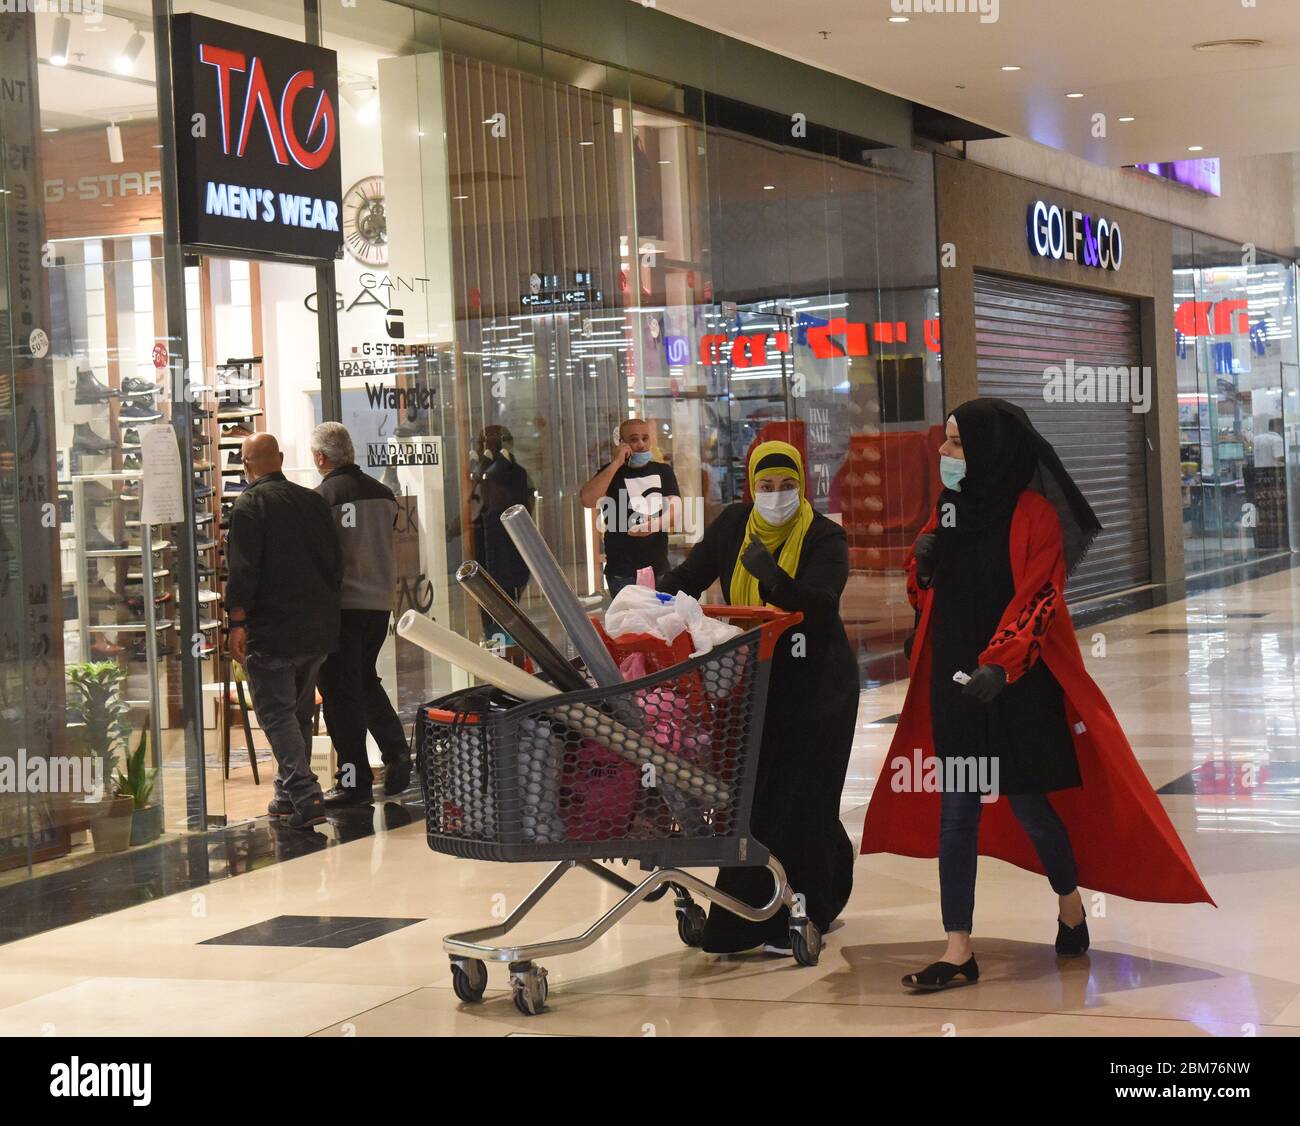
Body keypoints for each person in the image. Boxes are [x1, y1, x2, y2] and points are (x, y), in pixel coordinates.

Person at [860, 398, 1214, 992]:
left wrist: (1000, 665)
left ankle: (1069, 905)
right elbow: (928, 593)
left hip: (1015, 686)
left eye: (956, 443)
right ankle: (958, 948)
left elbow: (1039, 599)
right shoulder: (948, 508)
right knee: (958, 812)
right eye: (945, 442)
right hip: (956, 683)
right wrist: (919, 568)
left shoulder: (1034, 516)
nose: (943, 454)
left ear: (991, 451)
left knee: (1030, 809)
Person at [657, 440, 857, 953]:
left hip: (818, 687)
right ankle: (772, 910)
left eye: (787, 485)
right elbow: (690, 576)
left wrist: (772, 578)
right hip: (755, 685)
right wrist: (653, 596)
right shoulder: (733, 524)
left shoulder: (824, 536)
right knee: (762, 799)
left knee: (804, 798)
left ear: (802, 485)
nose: (776, 496)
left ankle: (801, 911)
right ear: (750, 486)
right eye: (765, 487)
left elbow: (821, 604)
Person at [225, 432, 342, 830]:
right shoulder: (313, 500)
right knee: (299, 710)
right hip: (317, 626)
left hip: (273, 627)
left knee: (276, 713)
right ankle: (286, 795)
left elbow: (243, 570)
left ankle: (305, 791)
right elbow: (333, 562)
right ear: (279, 456)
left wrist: (236, 621)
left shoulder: (249, 505)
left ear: (247, 465)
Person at [310, 422, 412, 806]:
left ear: (321, 458)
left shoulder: (323, 498)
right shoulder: (384, 494)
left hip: (342, 607)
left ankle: (353, 779)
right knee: (365, 681)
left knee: (340, 693)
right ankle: (396, 751)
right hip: (378, 604)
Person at [580, 418, 682, 597]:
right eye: (634, 439)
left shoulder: (663, 471)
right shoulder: (610, 473)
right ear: (622, 443)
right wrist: (617, 462)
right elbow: (588, 500)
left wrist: (654, 525)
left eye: (645, 438)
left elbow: (675, 509)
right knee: (628, 623)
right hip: (622, 571)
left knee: (661, 621)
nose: (641, 444)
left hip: (658, 567)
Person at [463, 425, 535, 642]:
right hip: (485, 551)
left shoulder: (514, 475)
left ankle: (507, 648)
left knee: (507, 608)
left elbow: (525, 511)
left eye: (495, 442)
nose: (489, 448)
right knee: (488, 607)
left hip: (509, 552)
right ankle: (499, 645)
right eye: (485, 443)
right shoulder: (472, 474)